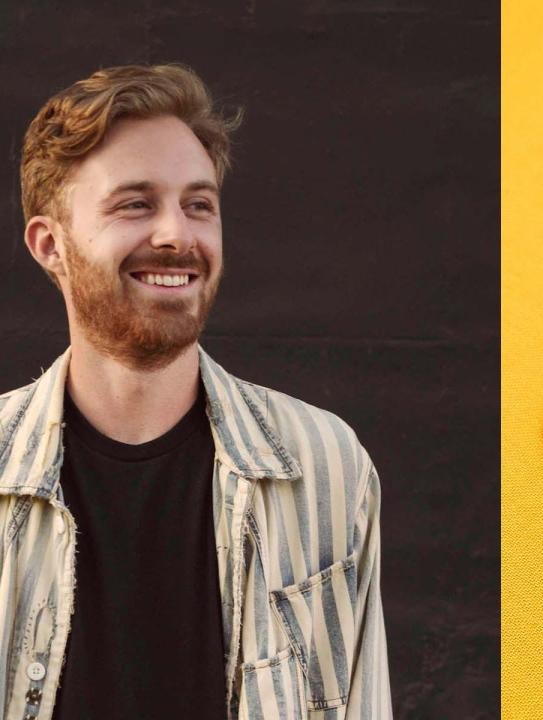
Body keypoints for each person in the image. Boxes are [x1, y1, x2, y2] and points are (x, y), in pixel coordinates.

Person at [0, 62, 393, 719]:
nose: (177, 234)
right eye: (135, 203)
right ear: (50, 245)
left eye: (198, 205)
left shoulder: (326, 465)